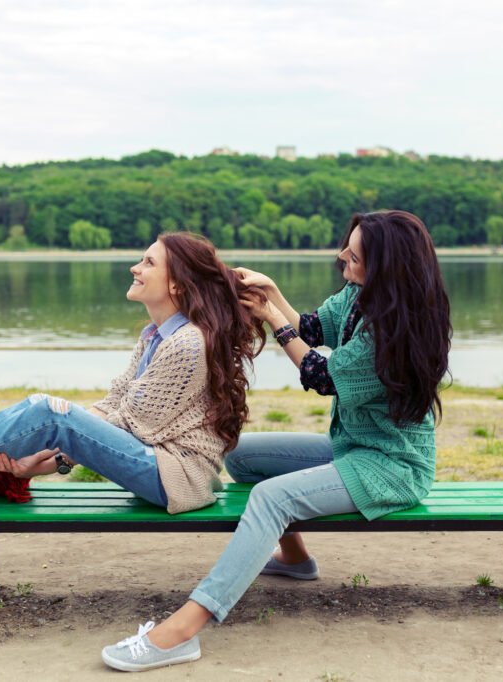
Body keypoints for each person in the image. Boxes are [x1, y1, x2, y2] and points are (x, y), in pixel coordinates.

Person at [101, 210, 452, 672]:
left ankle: (183, 631)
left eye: (355, 254)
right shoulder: (358, 294)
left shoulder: (390, 329)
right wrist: (272, 294)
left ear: (386, 265)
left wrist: (271, 319)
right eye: (347, 246)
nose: (342, 256)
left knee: (271, 498)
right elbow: (313, 330)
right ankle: (295, 559)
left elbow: (323, 376)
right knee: (241, 457)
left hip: (392, 465)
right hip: (354, 448)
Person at [0, 232, 266, 515]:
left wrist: (52, 436)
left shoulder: (187, 342)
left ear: (177, 284)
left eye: (148, 263)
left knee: (47, 411)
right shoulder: (156, 334)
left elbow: (134, 426)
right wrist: (43, 460)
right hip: (155, 466)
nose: (135, 268)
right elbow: (114, 406)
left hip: (179, 478)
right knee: (46, 415)